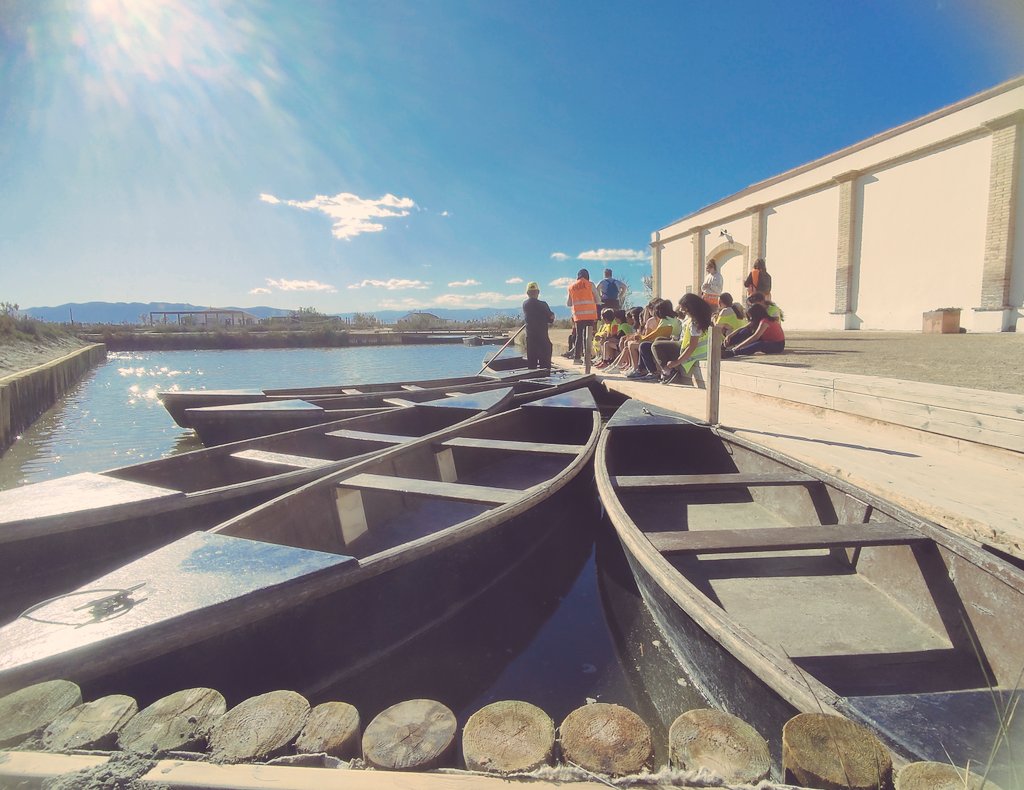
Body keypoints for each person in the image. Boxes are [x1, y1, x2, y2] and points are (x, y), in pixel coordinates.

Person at [659, 293, 714, 384]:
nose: (681, 310)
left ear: (689, 308)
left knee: (657, 345)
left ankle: (669, 371)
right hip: (703, 353)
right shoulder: (704, 319)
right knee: (660, 342)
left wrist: (676, 362)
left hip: (695, 355)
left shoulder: (694, 323)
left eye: (683, 308)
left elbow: (692, 346)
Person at [626, 300, 681, 379]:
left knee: (644, 345)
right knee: (645, 344)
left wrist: (641, 338)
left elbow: (655, 334)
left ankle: (652, 371)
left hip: (669, 344)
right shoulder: (674, 319)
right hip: (672, 342)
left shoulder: (665, 320)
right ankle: (642, 369)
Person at [566, 268, 600, 364]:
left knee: (579, 336)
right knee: (588, 337)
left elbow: (568, 303)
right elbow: (597, 299)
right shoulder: (590, 284)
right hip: (589, 315)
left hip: (578, 316)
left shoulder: (571, 287)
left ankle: (577, 358)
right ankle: (587, 359)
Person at [522, 282, 554, 369]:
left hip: (531, 340)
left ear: (527, 293)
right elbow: (551, 319)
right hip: (542, 339)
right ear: (538, 292)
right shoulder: (543, 305)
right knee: (545, 366)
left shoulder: (525, 304)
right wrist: (550, 316)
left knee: (532, 366)